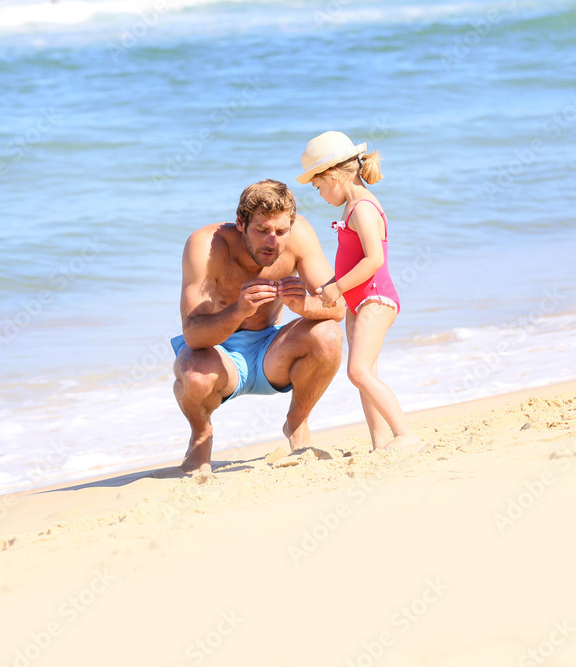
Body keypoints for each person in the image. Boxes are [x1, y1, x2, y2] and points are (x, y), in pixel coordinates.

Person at [171, 179, 345, 473]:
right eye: (262, 231)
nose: (272, 242)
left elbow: (337, 307)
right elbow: (193, 334)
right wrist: (239, 310)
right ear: (241, 223)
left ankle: (297, 423)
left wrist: (303, 305)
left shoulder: (300, 235)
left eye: (281, 231)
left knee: (328, 335)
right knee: (195, 374)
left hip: (271, 351)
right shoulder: (206, 244)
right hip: (217, 351)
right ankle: (201, 435)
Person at [297, 131, 421, 451]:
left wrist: (337, 287)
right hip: (359, 302)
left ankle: (405, 434)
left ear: (334, 176)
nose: (320, 194)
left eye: (319, 186)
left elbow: (374, 259)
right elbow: (350, 262)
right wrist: (328, 286)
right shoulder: (351, 207)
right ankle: (380, 443)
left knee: (358, 371)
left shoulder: (363, 208)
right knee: (365, 375)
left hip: (376, 299)